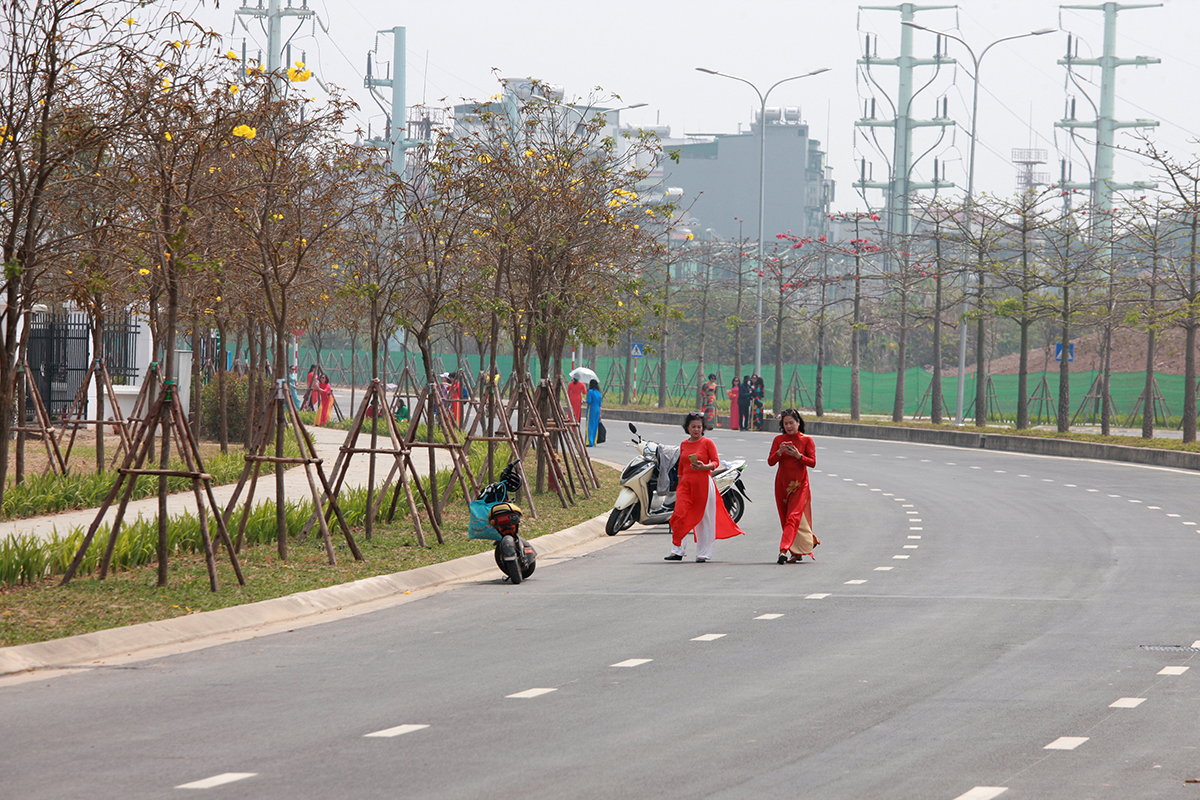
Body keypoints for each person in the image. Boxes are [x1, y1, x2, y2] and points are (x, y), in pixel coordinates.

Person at [666, 412, 745, 562]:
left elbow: (716, 462)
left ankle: (703, 553)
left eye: (699, 427)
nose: (696, 429)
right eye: (693, 426)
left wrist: (704, 467)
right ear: (687, 428)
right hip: (685, 485)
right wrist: (679, 483)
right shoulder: (684, 444)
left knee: (704, 519)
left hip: (703, 483)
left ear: (703, 428)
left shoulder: (708, 443)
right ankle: (677, 550)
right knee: (679, 515)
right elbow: (681, 466)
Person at [768, 408, 818, 564]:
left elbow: (813, 463)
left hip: (799, 484)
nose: (789, 426)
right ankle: (796, 552)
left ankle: (783, 550)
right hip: (782, 485)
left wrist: (799, 456)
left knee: (793, 517)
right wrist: (779, 452)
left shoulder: (806, 440)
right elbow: (770, 462)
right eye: (785, 423)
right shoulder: (778, 440)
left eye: (791, 423)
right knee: (786, 518)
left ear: (798, 422)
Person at [585, 379, 603, 446]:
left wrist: (584, 401)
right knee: (595, 425)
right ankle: (594, 441)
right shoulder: (599, 393)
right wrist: (600, 414)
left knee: (589, 425)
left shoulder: (590, 391)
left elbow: (589, 401)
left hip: (591, 409)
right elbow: (600, 405)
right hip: (597, 410)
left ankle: (589, 442)